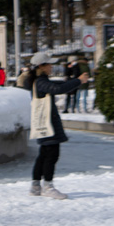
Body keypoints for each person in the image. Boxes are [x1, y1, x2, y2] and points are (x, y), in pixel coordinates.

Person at [29, 51, 80, 200]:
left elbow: (59, 85)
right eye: (49, 64)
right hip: (47, 124)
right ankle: (48, 186)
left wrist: (74, 81)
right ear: (42, 66)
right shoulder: (40, 82)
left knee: (44, 154)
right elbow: (58, 89)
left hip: (45, 123)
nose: (52, 66)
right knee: (51, 154)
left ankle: (36, 186)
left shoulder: (40, 81)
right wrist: (78, 81)